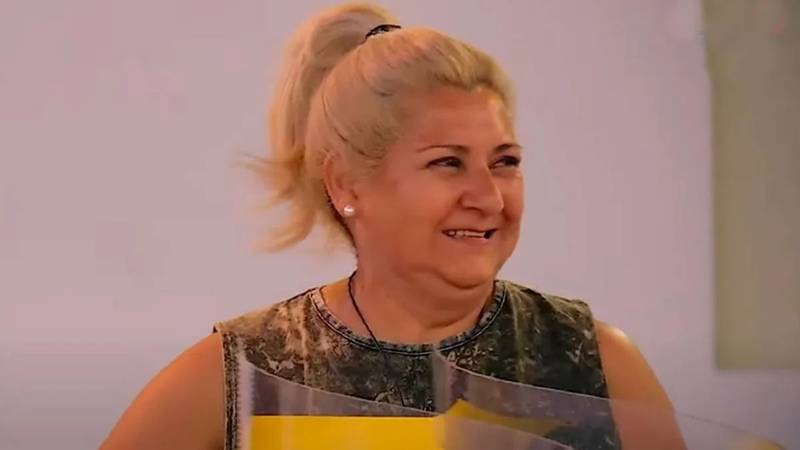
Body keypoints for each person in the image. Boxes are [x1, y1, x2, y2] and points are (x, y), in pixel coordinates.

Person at [100, 3, 674, 450]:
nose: (488, 197)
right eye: (447, 163)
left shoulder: (597, 363)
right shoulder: (242, 371)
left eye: (505, 162)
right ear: (347, 185)